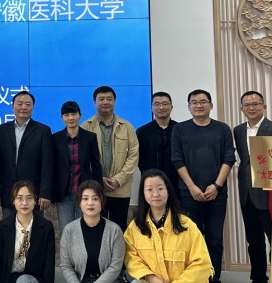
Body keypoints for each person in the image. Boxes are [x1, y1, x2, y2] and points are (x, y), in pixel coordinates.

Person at [171, 89, 235, 283]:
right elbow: (177, 159)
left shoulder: (222, 129)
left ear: (211, 105)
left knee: (215, 239)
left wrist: (216, 185)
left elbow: (229, 158)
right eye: (194, 102)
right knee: (192, 240)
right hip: (189, 194)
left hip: (217, 194)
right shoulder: (180, 129)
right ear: (189, 107)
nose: (199, 105)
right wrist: (191, 187)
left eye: (203, 101)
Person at [124, 169, 212, 283]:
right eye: (149, 189)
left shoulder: (187, 226)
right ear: (143, 194)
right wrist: (151, 278)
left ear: (168, 191)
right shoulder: (135, 227)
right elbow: (131, 258)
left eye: (160, 188)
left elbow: (202, 265)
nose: (155, 194)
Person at [233, 90, 272, 283]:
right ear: (241, 108)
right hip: (246, 193)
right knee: (253, 241)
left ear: (264, 107)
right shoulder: (237, 130)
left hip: (269, 194)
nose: (251, 107)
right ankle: (259, 281)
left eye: (256, 104)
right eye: (247, 105)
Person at [60, 180, 125, 283]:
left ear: (102, 202)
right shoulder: (69, 230)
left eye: (95, 198)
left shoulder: (114, 230)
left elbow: (115, 267)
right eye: (85, 198)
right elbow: (65, 266)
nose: (90, 203)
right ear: (79, 202)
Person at [0, 180, 55, 283]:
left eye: (29, 198)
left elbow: (49, 267)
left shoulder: (46, 227)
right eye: (19, 198)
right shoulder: (3, 226)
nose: (24, 203)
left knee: (23, 282)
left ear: (35, 200)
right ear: (13, 200)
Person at [81, 86, 139, 234]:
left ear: (114, 102)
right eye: (101, 99)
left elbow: (133, 156)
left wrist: (118, 179)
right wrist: (98, 179)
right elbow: (82, 159)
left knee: (119, 229)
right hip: (95, 189)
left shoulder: (127, 127)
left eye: (109, 99)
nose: (105, 102)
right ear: (94, 102)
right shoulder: (85, 127)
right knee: (94, 229)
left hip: (120, 189)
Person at [0, 91, 53, 218]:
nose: (23, 107)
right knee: (9, 228)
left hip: (33, 194)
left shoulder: (43, 131)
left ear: (33, 107)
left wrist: (45, 193)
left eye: (28, 104)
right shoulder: (1, 130)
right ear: (12, 106)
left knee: (34, 229)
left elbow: (47, 164)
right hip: (8, 193)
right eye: (19, 104)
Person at [53, 101, 103, 234]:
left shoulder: (90, 137)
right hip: (63, 194)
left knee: (85, 230)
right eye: (66, 115)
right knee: (66, 231)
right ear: (62, 118)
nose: (70, 118)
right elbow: (52, 167)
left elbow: (96, 166)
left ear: (80, 115)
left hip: (85, 193)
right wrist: (51, 193)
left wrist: (99, 191)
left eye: (73, 114)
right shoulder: (55, 139)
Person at [136, 92, 179, 198]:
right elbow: (138, 158)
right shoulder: (142, 131)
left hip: (177, 182)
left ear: (171, 107)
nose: (161, 107)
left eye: (165, 104)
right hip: (150, 182)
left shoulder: (180, 130)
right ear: (151, 107)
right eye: (157, 104)